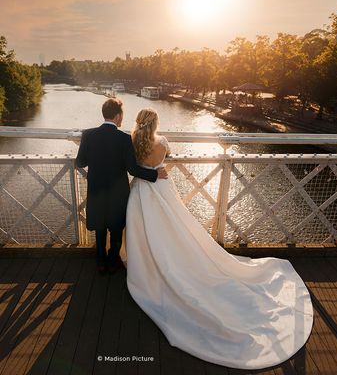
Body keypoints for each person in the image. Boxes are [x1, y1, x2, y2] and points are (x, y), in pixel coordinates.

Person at [124, 108, 314, 370]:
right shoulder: (163, 142)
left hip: (140, 191)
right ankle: (175, 258)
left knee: (144, 230)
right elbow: (163, 160)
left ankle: (145, 263)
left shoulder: (133, 142)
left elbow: (133, 165)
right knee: (176, 228)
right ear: (156, 122)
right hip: (162, 187)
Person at [75, 98, 168, 275]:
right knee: (116, 229)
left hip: (96, 192)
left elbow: (80, 162)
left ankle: (100, 262)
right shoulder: (124, 139)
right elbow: (132, 169)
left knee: (100, 229)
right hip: (118, 193)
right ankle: (113, 261)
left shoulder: (88, 135)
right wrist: (155, 174)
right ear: (118, 116)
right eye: (122, 115)